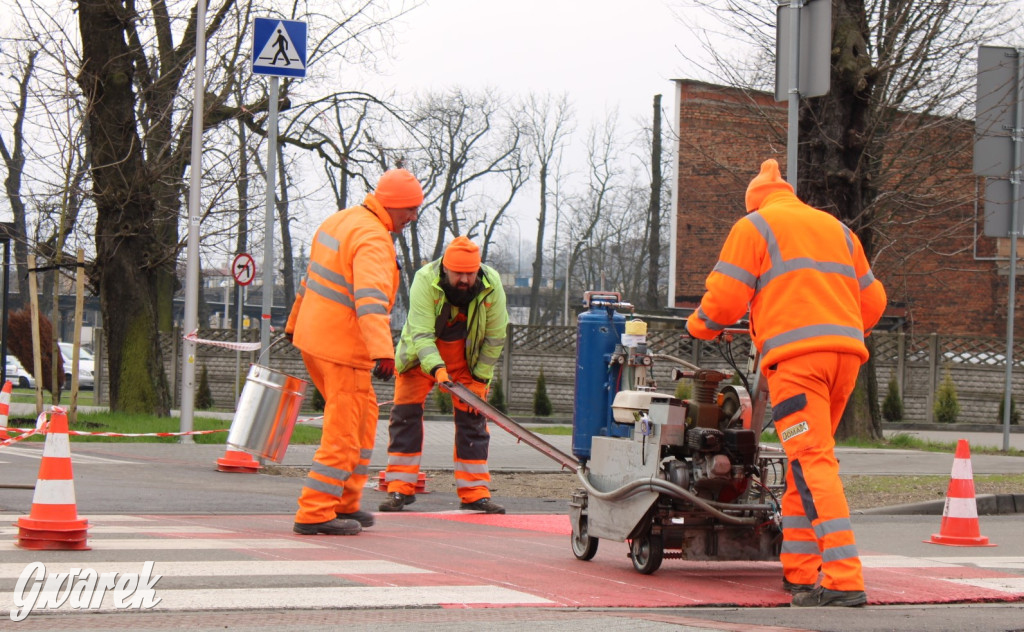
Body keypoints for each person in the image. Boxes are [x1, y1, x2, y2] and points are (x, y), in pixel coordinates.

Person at [686, 159, 886, 607]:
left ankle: (844, 580)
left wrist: (699, 325)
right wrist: (839, 326)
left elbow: (725, 299)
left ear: (754, 202)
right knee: (803, 461)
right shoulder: (837, 230)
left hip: (799, 364)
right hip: (845, 359)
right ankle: (799, 572)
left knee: (813, 461)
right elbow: (874, 302)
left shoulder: (754, 227)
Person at [285, 168, 423, 535]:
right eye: (410, 208)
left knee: (361, 423)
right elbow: (370, 302)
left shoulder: (339, 222)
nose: (413, 216)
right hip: (343, 349)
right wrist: (384, 352)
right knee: (344, 433)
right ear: (393, 204)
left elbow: (310, 279)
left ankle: (344, 502)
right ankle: (315, 512)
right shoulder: (373, 239)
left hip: (316, 341)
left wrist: (294, 322)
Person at [379, 236, 509, 514]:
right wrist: (437, 369)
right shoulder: (425, 279)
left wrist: (480, 379)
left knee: (473, 424)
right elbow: (422, 334)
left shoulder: (492, 282)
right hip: (419, 360)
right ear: (445, 269)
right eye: (458, 273)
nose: (465, 280)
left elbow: (495, 337)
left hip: (466, 364)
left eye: (470, 273)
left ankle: (475, 492)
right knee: (404, 419)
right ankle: (400, 487)